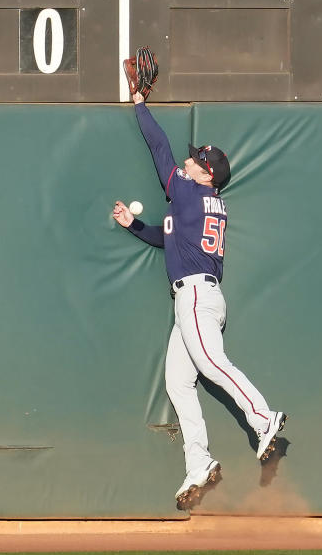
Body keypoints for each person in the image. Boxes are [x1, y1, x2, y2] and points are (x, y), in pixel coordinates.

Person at [112, 91, 286, 507]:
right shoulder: (203, 202)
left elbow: (158, 149)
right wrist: (135, 225)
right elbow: (169, 237)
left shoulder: (189, 192)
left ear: (206, 174)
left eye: (194, 161)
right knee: (178, 381)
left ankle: (264, 420)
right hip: (196, 295)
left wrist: (139, 103)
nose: (186, 163)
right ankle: (199, 463)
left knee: (211, 365)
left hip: (194, 295)